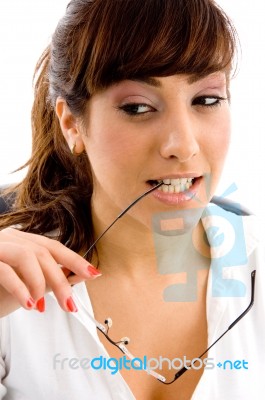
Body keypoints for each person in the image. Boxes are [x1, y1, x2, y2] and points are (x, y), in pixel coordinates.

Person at [0, 0, 264, 399]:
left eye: (206, 100)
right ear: (71, 123)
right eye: (138, 107)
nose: (183, 145)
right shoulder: (11, 296)